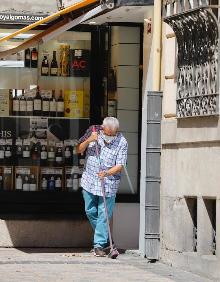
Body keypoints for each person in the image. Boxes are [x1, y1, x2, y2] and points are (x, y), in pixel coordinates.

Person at [77, 117, 128, 257]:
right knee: (90, 211)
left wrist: (106, 173)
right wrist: (89, 140)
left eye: (113, 134)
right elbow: (78, 149)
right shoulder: (93, 132)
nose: (110, 136)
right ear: (102, 128)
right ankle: (106, 240)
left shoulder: (122, 142)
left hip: (109, 182)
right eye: (107, 133)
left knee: (104, 215)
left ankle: (99, 245)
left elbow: (120, 165)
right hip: (89, 180)